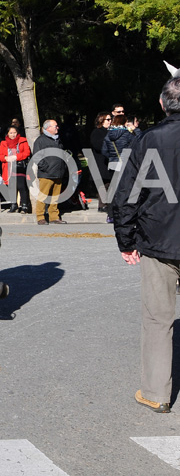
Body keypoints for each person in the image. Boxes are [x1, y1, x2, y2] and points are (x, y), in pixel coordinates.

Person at [112, 75, 180, 414]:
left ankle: (156, 393)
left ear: (162, 103)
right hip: (160, 238)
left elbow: (126, 195)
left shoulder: (149, 139)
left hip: (159, 239)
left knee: (158, 318)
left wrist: (126, 239)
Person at [102, 114, 139, 224]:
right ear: (124, 122)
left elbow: (104, 150)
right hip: (125, 164)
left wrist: (112, 158)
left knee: (113, 190)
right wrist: (135, 130)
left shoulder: (108, 134)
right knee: (126, 189)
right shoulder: (127, 134)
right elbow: (137, 144)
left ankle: (111, 215)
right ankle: (123, 213)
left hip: (113, 164)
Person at [32, 119, 68, 225]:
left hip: (58, 172)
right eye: (55, 126)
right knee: (43, 196)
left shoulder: (58, 139)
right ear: (48, 128)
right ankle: (40, 217)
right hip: (46, 173)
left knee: (55, 197)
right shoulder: (41, 140)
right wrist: (46, 167)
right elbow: (37, 156)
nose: (57, 128)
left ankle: (54, 217)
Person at [0, 126, 32, 213]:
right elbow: (0, 156)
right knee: (11, 187)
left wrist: (16, 157)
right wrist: (6, 158)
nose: (13, 135)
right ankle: (13, 205)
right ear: (7, 134)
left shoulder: (23, 140)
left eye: (15, 132)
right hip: (8, 168)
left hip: (19, 167)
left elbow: (26, 153)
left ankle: (24, 205)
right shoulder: (3, 143)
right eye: (11, 133)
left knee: (21, 186)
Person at [89, 111, 113, 212]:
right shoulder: (97, 132)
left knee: (109, 184)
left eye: (110, 119)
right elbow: (97, 145)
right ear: (101, 120)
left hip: (109, 161)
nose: (110, 121)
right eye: (108, 119)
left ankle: (107, 204)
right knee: (103, 184)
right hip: (100, 162)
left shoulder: (111, 131)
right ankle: (102, 205)